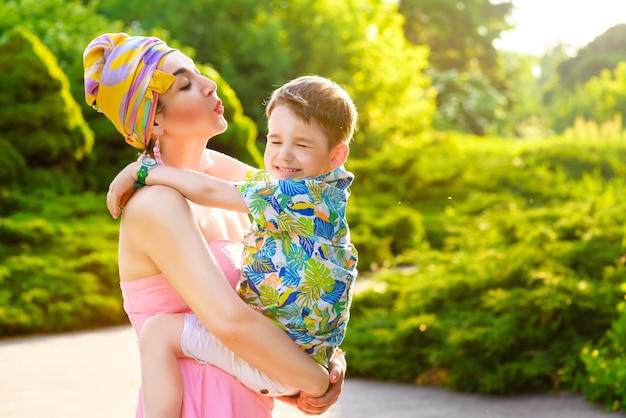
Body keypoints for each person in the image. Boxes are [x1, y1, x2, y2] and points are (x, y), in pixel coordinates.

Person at [83, 33, 346, 417]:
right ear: (154, 117)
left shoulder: (224, 176)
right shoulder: (157, 203)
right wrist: (316, 378)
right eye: (185, 84)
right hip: (194, 405)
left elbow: (308, 254)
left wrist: (327, 354)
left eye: (198, 73)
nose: (209, 85)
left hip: (248, 401)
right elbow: (230, 322)